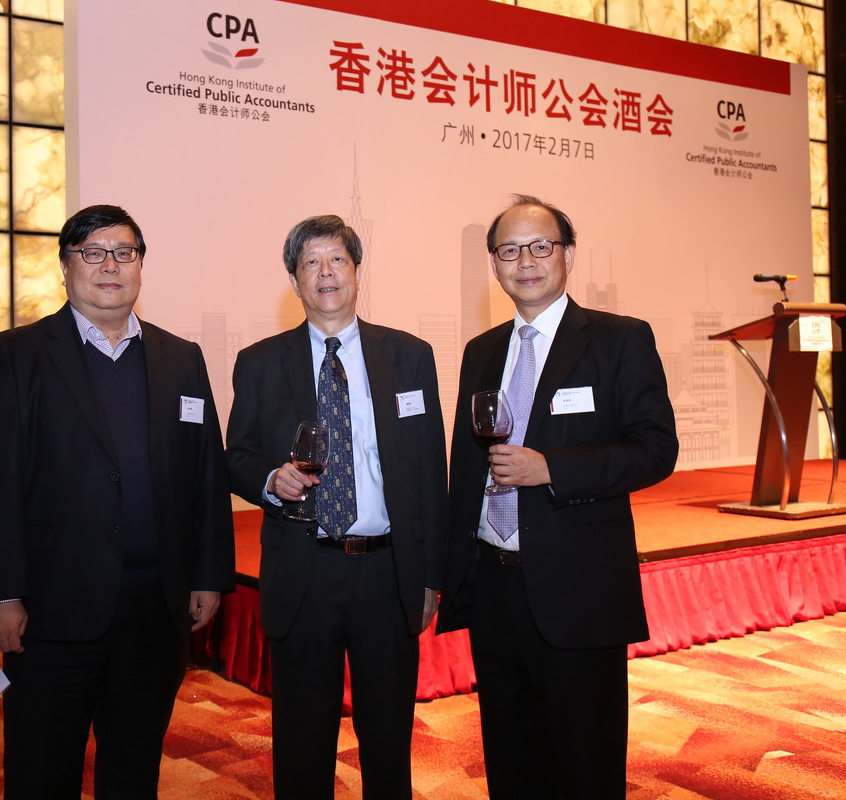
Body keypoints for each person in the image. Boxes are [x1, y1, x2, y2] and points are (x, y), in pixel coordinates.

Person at [0, 204, 234, 799]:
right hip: (52, 610)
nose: (110, 265)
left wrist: (208, 575)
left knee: (135, 768)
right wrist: (0, 593)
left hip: (155, 610)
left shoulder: (180, 357)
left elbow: (205, 473)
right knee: (41, 771)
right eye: (93, 252)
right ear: (65, 266)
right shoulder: (18, 354)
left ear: (140, 265)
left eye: (124, 252)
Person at [437, 195, 678, 799]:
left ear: (568, 254)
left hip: (578, 588)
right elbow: (465, 467)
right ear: (495, 265)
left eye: (540, 246)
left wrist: (553, 469)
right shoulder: (481, 351)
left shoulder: (619, 340)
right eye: (509, 251)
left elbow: (655, 450)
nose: (525, 261)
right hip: (494, 587)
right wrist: (447, 573)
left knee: (584, 762)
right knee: (510, 757)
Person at [226, 215, 447, 799]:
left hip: (387, 570)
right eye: (311, 263)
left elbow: (431, 469)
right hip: (304, 570)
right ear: (294, 280)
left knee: (389, 735)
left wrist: (431, 575)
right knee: (302, 737)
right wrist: (270, 479)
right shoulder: (260, 362)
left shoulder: (409, 355)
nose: (325, 273)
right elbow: (236, 457)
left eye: (337, 260)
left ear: (357, 271)